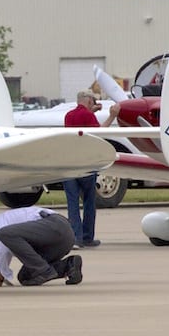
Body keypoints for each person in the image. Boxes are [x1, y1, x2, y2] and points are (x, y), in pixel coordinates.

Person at [63, 89, 120, 249]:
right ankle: (88, 237)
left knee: (72, 203)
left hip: (69, 164)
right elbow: (99, 133)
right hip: (86, 164)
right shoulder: (88, 116)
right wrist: (112, 115)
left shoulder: (68, 115)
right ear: (89, 101)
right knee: (89, 201)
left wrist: (91, 111)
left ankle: (75, 237)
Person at [0, 206, 83, 286]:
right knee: (25, 277)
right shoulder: (12, 240)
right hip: (61, 241)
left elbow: (2, 247)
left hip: (56, 225)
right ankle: (69, 266)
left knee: (4, 233)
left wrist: (0, 279)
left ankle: (44, 270)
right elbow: (3, 248)